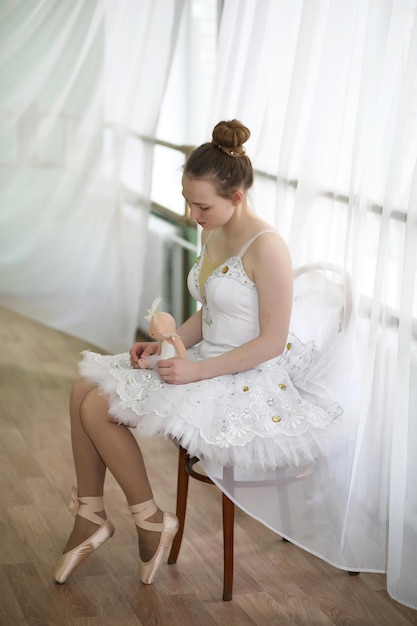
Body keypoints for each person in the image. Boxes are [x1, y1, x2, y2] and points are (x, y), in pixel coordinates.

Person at [54, 119, 342, 586]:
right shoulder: (213, 230)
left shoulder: (268, 249)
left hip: (243, 373)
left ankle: (148, 520)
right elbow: (209, 313)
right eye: (188, 201)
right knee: (81, 388)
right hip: (204, 357)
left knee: (97, 405)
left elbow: (270, 342)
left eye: (201, 204)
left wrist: (196, 370)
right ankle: (93, 514)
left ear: (237, 198)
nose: (192, 214)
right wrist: (173, 344)